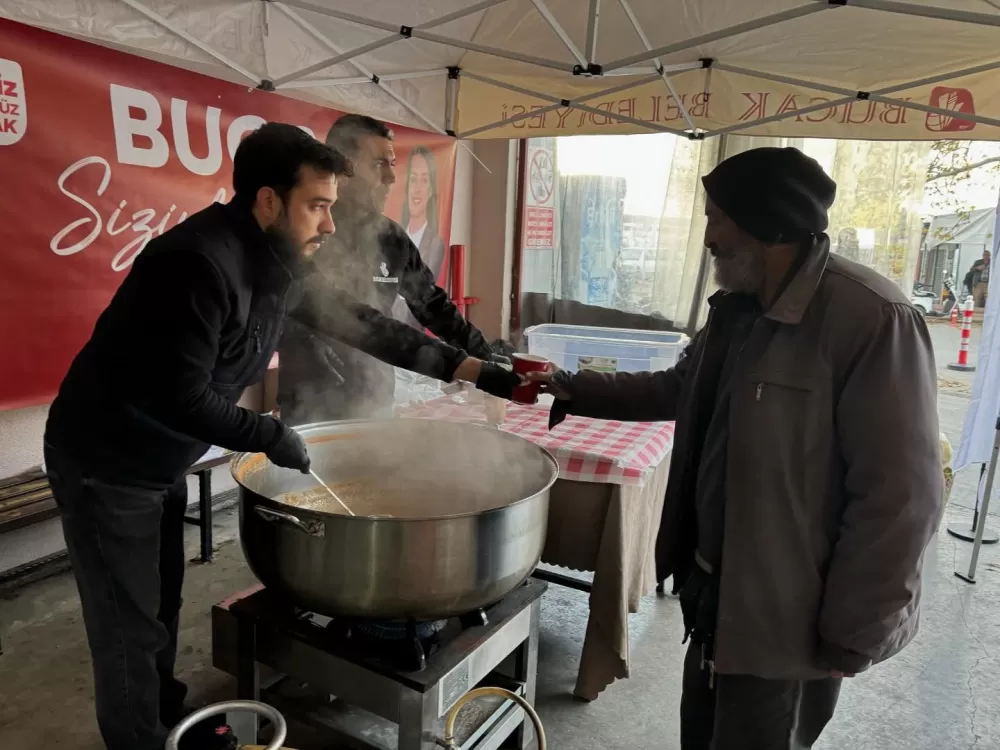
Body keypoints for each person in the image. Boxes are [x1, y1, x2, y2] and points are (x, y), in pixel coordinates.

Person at [528, 147, 943, 749]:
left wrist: (855, 632)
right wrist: (568, 385)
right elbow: (679, 387)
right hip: (714, 595)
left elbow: (901, 498)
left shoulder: (872, 318)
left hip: (790, 619)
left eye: (718, 219)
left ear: (766, 224)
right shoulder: (739, 307)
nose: (709, 239)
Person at [42, 122, 419, 750]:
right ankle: (140, 738)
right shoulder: (196, 264)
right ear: (268, 200)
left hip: (160, 457)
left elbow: (361, 324)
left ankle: (167, 718)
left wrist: (469, 367)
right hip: (106, 462)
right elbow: (181, 395)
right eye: (317, 205)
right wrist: (268, 433)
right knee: (127, 624)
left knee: (159, 604)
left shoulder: (276, 259)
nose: (329, 224)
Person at [279, 114, 512, 424]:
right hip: (311, 401)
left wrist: (487, 358)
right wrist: (306, 343)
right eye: (378, 164)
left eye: (392, 164)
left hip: (375, 397)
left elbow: (433, 305)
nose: (391, 177)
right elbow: (292, 306)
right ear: (342, 167)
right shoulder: (308, 232)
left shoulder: (391, 238)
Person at [392, 145, 447, 328]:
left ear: (431, 190)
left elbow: (421, 299)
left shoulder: (435, 244)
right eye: (413, 179)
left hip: (409, 335)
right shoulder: (395, 236)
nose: (417, 188)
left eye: (424, 180)